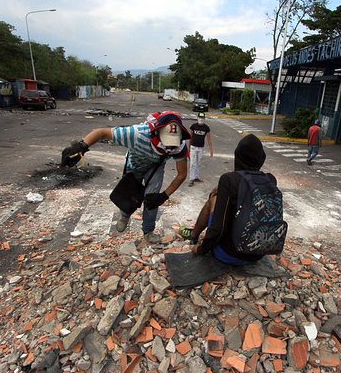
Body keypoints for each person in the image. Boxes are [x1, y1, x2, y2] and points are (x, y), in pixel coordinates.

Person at [60, 111, 191, 243]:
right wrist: (81, 146)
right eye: (167, 141)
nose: (169, 147)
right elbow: (102, 132)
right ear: (156, 132)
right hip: (134, 165)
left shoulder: (179, 146)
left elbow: (181, 174)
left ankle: (148, 231)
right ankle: (124, 216)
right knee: (129, 195)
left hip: (155, 167)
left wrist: (163, 197)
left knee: (152, 198)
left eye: (172, 143)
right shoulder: (137, 134)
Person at [186, 134, 275, 265]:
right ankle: (194, 235)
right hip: (258, 254)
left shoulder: (229, 179)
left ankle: (193, 236)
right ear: (261, 158)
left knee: (213, 199)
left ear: (237, 156)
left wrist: (201, 249)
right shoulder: (270, 180)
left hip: (229, 254)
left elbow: (218, 227)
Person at [188, 112, 213, 187]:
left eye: (202, 118)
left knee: (198, 163)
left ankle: (196, 177)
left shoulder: (206, 128)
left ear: (204, 119)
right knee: (192, 163)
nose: (201, 119)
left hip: (201, 148)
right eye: (200, 118)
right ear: (197, 118)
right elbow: (190, 136)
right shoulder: (193, 126)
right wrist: (188, 147)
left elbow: (209, 139)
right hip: (193, 147)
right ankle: (191, 179)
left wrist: (211, 150)